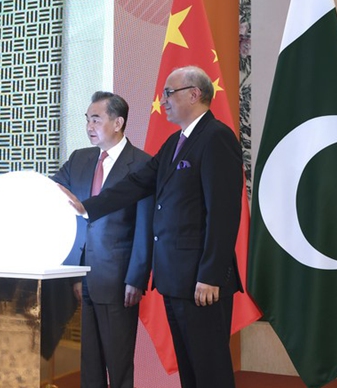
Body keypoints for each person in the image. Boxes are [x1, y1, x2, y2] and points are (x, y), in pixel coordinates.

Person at [60, 66, 244, 388]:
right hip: (175, 278)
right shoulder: (176, 142)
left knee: (209, 369)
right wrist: (87, 206)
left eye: (169, 93)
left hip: (202, 281)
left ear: (194, 94)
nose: (164, 101)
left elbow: (224, 213)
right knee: (190, 368)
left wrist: (211, 275)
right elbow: (137, 183)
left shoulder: (216, 138)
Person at [52, 91, 154, 388]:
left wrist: (136, 278)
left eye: (96, 119)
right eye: (87, 119)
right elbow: (57, 197)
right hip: (81, 276)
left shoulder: (142, 165)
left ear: (118, 122)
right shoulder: (80, 159)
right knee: (89, 362)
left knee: (119, 362)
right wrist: (72, 269)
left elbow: (145, 227)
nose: (89, 126)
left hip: (119, 279)